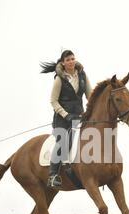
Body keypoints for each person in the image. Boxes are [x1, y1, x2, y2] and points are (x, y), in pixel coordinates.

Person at [40, 50, 93, 188]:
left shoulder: (82, 75)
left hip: (79, 117)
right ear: (63, 63)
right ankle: (53, 175)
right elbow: (53, 101)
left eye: (73, 59)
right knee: (64, 142)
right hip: (62, 120)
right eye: (68, 59)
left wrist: (91, 110)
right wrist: (66, 115)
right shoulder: (59, 79)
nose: (71, 61)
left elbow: (90, 95)